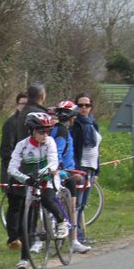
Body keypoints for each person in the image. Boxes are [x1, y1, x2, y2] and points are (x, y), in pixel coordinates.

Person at [8, 112, 70, 269]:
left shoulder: (49, 142)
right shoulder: (22, 145)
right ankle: (24, 259)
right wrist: (25, 179)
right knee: (27, 221)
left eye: (47, 131)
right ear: (32, 131)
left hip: (48, 178)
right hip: (31, 182)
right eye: (41, 131)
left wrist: (42, 173)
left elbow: (53, 162)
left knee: (47, 199)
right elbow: (12, 168)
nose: (45, 134)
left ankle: (62, 220)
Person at [51, 101, 89, 253]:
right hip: (65, 175)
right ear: (72, 118)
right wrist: (69, 173)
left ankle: (66, 240)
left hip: (63, 172)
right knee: (71, 208)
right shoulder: (63, 132)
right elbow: (58, 154)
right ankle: (73, 241)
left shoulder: (56, 129)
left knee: (58, 207)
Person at [71, 92, 101, 246]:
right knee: (77, 205)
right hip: (81, 168)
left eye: (87, 105)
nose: (84, 108)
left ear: (91, 107)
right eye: (80, 105)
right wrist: (76, 171)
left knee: (82, 205)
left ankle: (80, 236)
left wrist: (97, 171)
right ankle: (77, 238)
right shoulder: (76, 125)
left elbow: (97, 149)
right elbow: (74, 150)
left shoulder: (92, 123)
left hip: (91, 168)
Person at [0, 92, 28, 250]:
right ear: (17, 104)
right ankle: (13, 238)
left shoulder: (30, 123)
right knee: (15, 206)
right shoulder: (11, 123)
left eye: (27, 103)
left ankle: (25, 236)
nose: (24, 106)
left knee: (27, 206)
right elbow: (6, 151)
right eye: (22, 103)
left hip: (28, 173)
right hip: (13, 172)